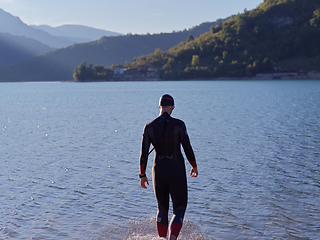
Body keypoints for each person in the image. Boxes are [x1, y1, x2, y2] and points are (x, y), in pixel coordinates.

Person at [139, 94, 198, 240]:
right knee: (179, 208)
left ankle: (161, 239)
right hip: (176, 170)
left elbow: (143, 154)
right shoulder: (178, 125)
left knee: (162, 208)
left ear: (159, 106)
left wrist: (142, 175)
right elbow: (187, 148)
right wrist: (194, 166)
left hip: (158, 171)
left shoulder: (149, 126)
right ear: (172, 107)